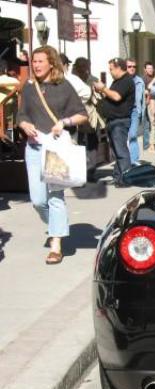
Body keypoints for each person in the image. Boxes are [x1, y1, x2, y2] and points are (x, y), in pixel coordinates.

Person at [17, 46, 88, 264]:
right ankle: (56, 226)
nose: (36, 65)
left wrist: (63, 122)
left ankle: (56, 243)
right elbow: (21, 114)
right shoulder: (29, 88)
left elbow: (82, 115)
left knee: (55, 197)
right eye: (34, 61)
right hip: (35, 148)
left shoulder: (63, 86)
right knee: (38, 200)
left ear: (51, 63)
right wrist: (24, 123)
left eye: (40, 61)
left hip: (56, 148)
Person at [94, 57, 135, 186]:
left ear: (118, 68)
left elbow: (117, 96)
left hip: (120, 121)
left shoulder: (126, 81)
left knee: (121, 151)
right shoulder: (118, 81)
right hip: (113, 120)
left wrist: (103, 88)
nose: (110, 72)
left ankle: (126, 178)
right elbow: (112, 96)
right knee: (116, 152)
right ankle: (118, 177)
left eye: (111, 69)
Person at [125, 59, 144, 165]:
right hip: (123, 111)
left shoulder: (139, 81)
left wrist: (142, 112)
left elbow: (142, 100)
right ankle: (124, 159)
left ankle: (134, 160)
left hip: (135, 111)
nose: (132, 68)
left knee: (133, 135)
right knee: (123, 136)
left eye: (134, 66)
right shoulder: (121, 80)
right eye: (129, 66)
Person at [141, 62, 155, 152]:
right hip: (145, 103)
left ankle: (150, 144)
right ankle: (147, 145)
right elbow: (143, 91)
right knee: (146, 125)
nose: (150, 70)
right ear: (145, 69)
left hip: (151, 103)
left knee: (151, 123)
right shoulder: (143, 79)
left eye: (151, 68)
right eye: (149, 68)